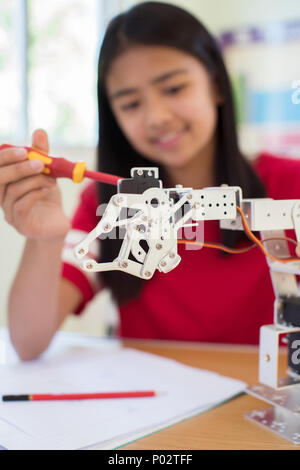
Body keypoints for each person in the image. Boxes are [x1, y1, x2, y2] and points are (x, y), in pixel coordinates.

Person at [1, 2, 300, 360]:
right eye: (130, 104)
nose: (156, 117)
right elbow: (27, 342)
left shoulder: (290, 185)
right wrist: (45, 239)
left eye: (173, 89)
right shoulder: (111, 204)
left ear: (217, 85)